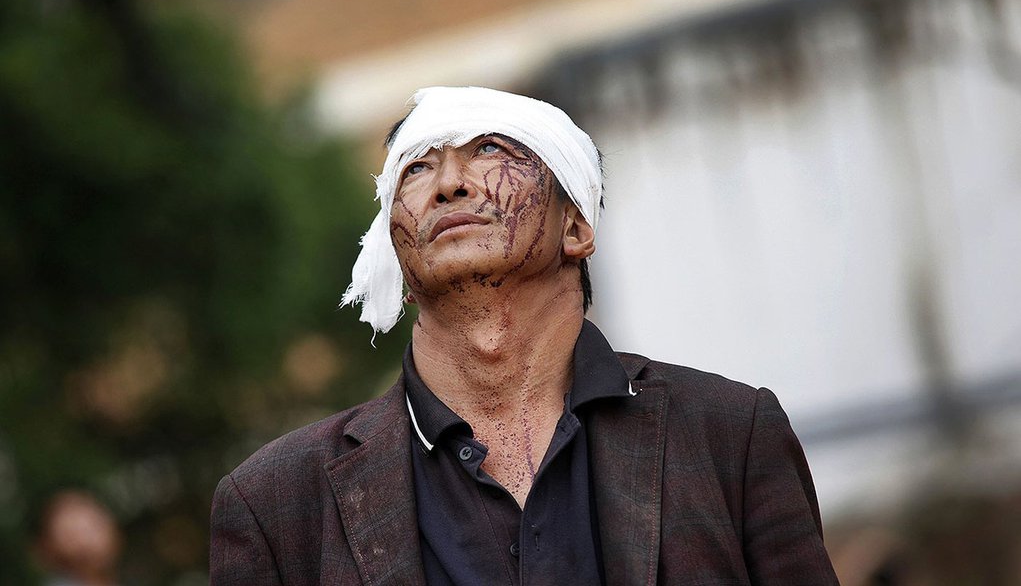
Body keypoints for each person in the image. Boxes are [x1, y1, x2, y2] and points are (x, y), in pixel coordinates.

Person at [210, 86, 838, 585]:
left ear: (576, 228)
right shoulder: (277, 504)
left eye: (489, 151)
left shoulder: (729, 435)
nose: (449, 183)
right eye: (417, 168)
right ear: (397, 259)